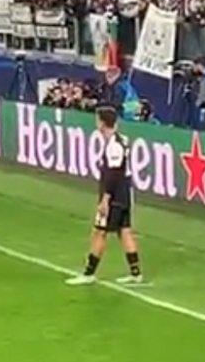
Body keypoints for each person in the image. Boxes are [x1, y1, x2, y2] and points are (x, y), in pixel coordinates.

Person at [66, 107, 143, 286]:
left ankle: (89, 273)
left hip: (115, 196)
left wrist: (105, 199)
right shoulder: (122, 140)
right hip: (124, 193)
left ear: (102, 122)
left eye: (97, 119)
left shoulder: (114, 146)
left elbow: (113, 174)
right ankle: (136, 273)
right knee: (124, 231)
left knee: (100, 232)